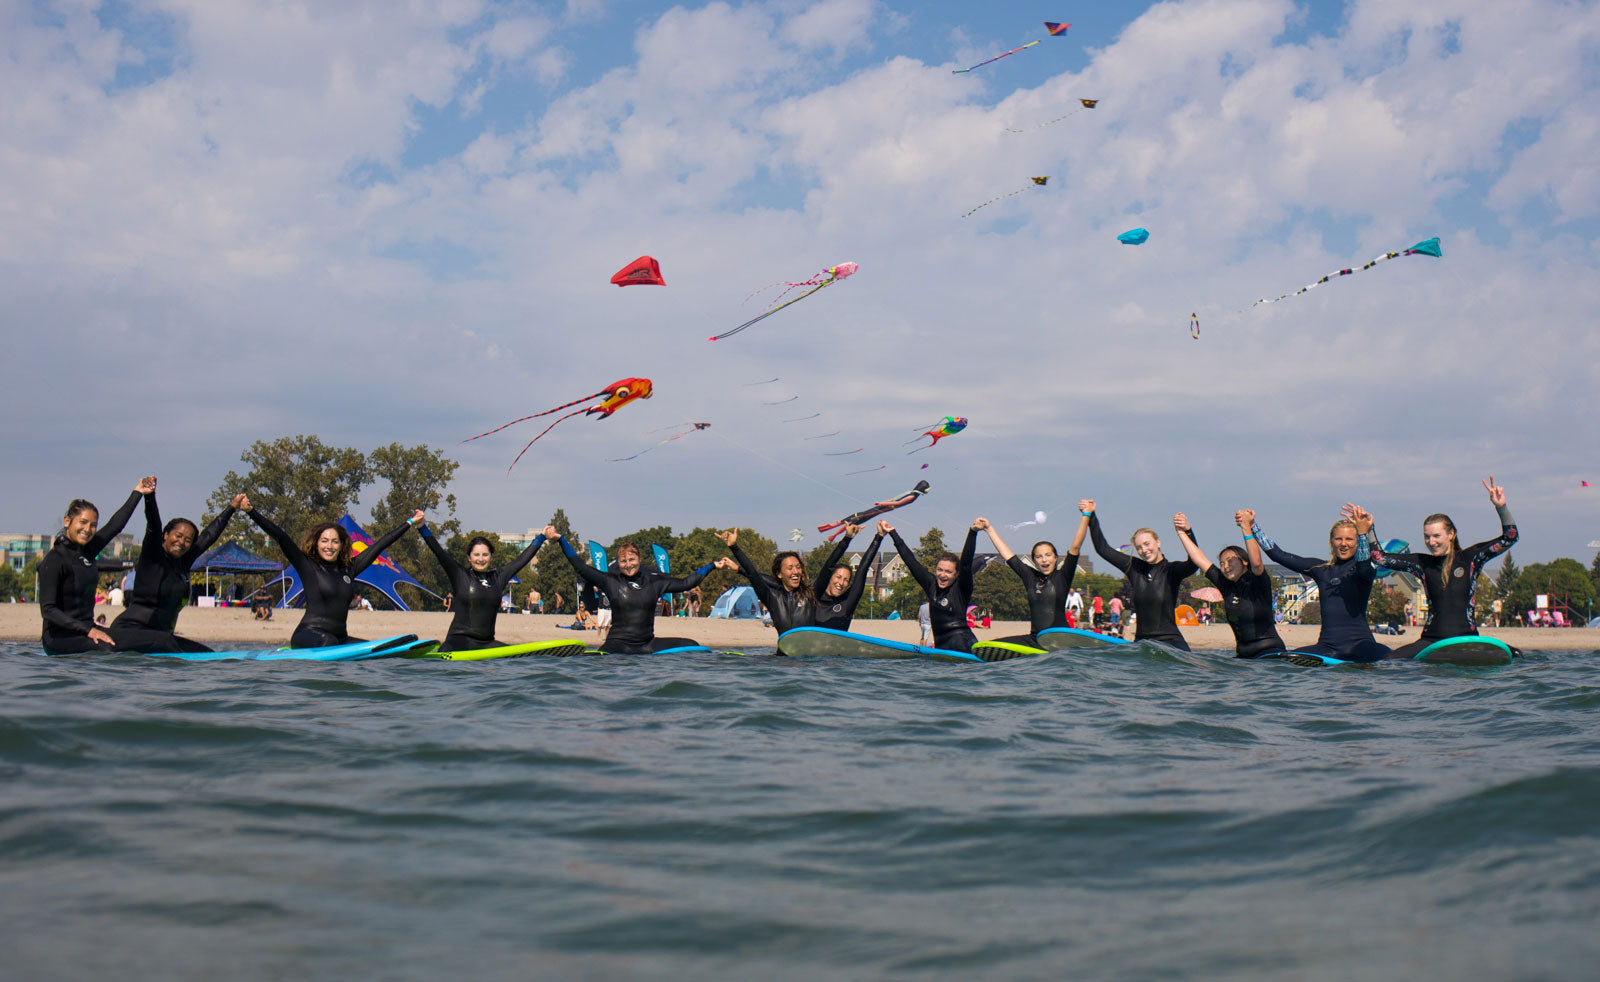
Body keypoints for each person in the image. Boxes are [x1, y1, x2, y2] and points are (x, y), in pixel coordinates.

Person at [1350, 476, 1519, 659]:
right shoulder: (1422, 564)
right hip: (1431, 641)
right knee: (1388, 662)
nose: (1431, 542)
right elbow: (1380, 558)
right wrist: (1368, 529)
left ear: (1451, 534)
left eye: (1436, 536)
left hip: (1467, 640)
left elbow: (1510, 537)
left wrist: (1501, 507)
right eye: (1427, 537)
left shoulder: (1471, 559)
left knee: (1517, 655)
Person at [243, 499, 421, 648]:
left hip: (339, 639)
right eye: (325, 541)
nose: (329, 546)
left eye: (335, 542)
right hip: (309, 634)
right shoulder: (307, 565)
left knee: (376, 648)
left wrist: (410, 522)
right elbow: (280, 537)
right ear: (316, 543)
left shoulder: (349, 568)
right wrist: (251, 511)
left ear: (342, 545)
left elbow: (380, 545)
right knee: (329, 641)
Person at [38, 478, 188, 654]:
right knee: (107, 648)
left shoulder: (88, 551)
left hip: (88, 632)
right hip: (59, 638)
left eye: (93, 525)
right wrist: (89, 630)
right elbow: (48, 610)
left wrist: (138, 492)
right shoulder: (55, 559)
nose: (88, 529)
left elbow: (115, 525)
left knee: (160, 638)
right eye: (83, 522)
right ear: (67, 521)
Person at [547, 526, 731, 653]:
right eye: (623, 561)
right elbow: (581, 567)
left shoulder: (654, 581)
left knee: (693, 646)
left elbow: (686, 584)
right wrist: (561, 540)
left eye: (631, 560)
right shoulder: (610, 580)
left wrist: (712, 566)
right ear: (618, 563)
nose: (628, 565)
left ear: (639, 558)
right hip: (618, 645)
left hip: (647, 644)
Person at [110, 487, 244, 652]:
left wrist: (232, 508)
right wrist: (149, 496)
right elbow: (153, 523)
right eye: (178, 536)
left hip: (160, 638)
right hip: (130, 631)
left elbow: (208, 536)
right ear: (165, 535)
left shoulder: (183, 563)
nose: (181, 542)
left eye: (188, 540)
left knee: (207, 653)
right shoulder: (153, 557)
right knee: (167, 643)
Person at [1248, 509, 1389, 662]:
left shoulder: (1363, 570)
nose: (1343, 544)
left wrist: (1364, 532)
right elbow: (1279, 555)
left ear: (1357, 543)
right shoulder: (1321, 570)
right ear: (1331, 541)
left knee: (1396, 658)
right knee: (1280, 660)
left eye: (1349, 539)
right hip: (1328, 648)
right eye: (1338, 539)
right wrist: (1253, 525)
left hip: (1362, 647)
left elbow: (1364, 564)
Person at [1080, 500, 1197, 650]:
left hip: (1171, 642)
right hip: (1142, 643)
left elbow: (1194, 563)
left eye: (1147, 544)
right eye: (1139, 547)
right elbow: (1103, 549)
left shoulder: (1171, 571)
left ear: (1158, 542)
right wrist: (1091, 515)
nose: (1144, 550)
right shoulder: (1134, 568)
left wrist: (1187, 531)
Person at [417, 519, 547, 653]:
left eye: (485, 555)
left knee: (518, 655)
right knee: (445, 650)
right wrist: (421, 526)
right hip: (458, 642)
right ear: (469, 557)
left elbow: (521, 560)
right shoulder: (460, 574)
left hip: (487, 644)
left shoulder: (498, 577)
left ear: (491, 556)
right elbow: (439, 551)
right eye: (476, 555)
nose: (481, 559)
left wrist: (541, 537)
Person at [1172, 510, 1287, 658]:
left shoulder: (1258, 581)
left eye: (1230, 560)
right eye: (1222, 563)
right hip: (1243, 657)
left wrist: (1245, 527)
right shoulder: (1225, 585)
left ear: (1244, 561)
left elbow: (1257, 563)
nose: (1225, 566)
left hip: (1270, 653)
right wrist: (1182, 532)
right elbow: (1199, 558)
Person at [975, 514, 1090, 647]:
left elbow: (1075, 547)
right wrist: (989, 529)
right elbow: (1007, 554)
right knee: (987, 646)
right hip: (1036, 639)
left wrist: (1086, 515)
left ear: (1055, 558)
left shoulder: (1063, 576)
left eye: (1048, 555)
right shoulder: (1029, 576)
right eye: (1039, 556)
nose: (1044, 560)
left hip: (1060, 638)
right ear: (1034, 561)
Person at [886, 520, 979, 653]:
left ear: (957, 574)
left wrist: (973, 532)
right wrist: (892, 533)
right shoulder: (931, 584)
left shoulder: (961, 589)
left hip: (962, 642)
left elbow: (965, 564)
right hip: (941, 645)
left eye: (948, 571)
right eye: (939, 570)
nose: (942, 575)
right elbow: (911, 562)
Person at [718, 528, 817, 635]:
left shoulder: (810, 594)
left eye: (798, 567)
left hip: (809, 650)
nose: (796, 571)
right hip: (782, 651)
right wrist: (734, 547)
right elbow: (754, 574)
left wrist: (738, 569)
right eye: (790, 568)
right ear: (779, 574)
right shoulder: (772, 597)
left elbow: (828, 568)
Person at [811, 522, 885, 632]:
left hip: (836, 648)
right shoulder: (815, 595)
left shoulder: (848, 601)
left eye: (846, 580)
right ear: (830, 577)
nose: (841, 583)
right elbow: (829, 565)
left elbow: (862, 570)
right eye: (838, 577)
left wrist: (879, 536)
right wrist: (847, 538)